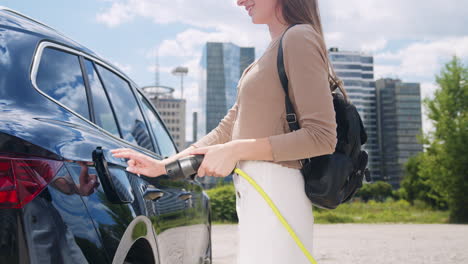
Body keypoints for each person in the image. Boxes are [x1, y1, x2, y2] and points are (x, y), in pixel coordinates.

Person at [111, 0, 347, 263]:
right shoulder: (274, 49)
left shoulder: (299, 37)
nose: (239, 1)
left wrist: (235, 150)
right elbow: (226, 130)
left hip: (277, 190)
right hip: (255, 191)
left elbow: (322, 137)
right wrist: (164, 165)